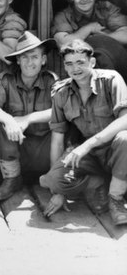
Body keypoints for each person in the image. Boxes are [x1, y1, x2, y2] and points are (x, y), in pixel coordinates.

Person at [40, 39, 127, 226]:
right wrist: (58, 191)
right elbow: (57, 139)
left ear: (92, 62)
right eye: (69, 63)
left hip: (118, 152)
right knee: (53, 180)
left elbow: (125, 120)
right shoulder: (61, 93)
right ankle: (98, 183)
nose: (75, 68)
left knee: (125, 139)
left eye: (80, 62)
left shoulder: (111, 80)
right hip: (92, 157)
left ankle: (116, 199)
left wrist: (88, 144)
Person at [0, 32, 58, 200]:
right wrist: (9, 120)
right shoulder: (5, 79)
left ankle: (57, 178)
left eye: (35, 57)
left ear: (43, 60)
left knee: (66, 126)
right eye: (24, 57)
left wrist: (28, 118)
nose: (30, 62)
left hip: (46, 149)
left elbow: (62, 111)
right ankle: (12, 178)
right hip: (16, 148)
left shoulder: (52, 80)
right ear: (17, 60)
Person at [51, 0, 127, 79]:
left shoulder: (106, 8)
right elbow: (63, 43)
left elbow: (125, 35)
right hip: (78, 76)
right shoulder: (63, 16)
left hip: (116, 74)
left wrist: (102, 36)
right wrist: (89, 28)